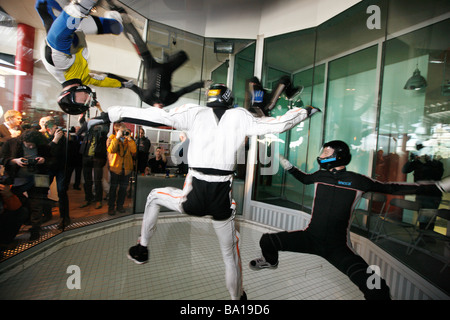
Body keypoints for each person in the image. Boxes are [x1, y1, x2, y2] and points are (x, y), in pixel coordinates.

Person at [87, 83, 320, 300]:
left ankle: (142, 248)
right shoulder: (241, 117)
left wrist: (111, 114)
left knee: (153, 197)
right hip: (221, 202)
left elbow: (155, 116)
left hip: (192, 198)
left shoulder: (194, 113)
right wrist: (306, 111)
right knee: (230, 256)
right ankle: (237, 299)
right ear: (229, 100)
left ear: (209, 99)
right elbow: (279, 124)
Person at [249, 140, 450, 300]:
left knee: (377, 289)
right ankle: (270, 261)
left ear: (338, 156)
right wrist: (289, 166)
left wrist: (437, 187)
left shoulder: (357, 180)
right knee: (267, 240)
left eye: (326, 153)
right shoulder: (320, 175)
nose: (321, 155)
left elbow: (392, 188)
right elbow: (304, 178)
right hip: (310, 237)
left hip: (338, 247)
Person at [105, 0, 211, 108]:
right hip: (167, 69)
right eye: (161, 109)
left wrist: (109, 76)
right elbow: (185, 90)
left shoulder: (146, 98)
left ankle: (121, 17)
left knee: (138, 42)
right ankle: (168, 58)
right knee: (183, 56)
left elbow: (130, 85)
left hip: (151, 67)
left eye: (157, 109)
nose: (159, 107)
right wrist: (202, 84)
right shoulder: (170, 100)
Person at [35, 0, 131, 115]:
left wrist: (79, 9)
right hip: (77, 28)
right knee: (116, 27)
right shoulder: (83, 80)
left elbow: (58, 37)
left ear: (69, 97)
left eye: (83, 101)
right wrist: (122, 85)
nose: (88, 99)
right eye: (88, 102)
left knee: (43, 3)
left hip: (60, 17)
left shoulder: (60, 66)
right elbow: (103, 82)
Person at [1, 129, 50, 241]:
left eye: (34, 145)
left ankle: (35, 230)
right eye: (29, 145)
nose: (32, 147)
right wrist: (15, 161)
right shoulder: (11, 143)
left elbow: (51, 159)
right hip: (17, 177)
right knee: (14, 202)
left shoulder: (42, 144)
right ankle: (11, 230)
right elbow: (2, 158)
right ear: (23, 140)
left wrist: (44, 160)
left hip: (40, 176)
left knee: (37, 203)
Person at [402, 142, 444, 230]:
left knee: (430, 218)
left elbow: (436, 175)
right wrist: (411, 160)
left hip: (433, 195)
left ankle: (427, 237)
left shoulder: (437, 163)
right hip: (421, 194)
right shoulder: (417, 163)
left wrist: (427, 162)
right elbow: (405, 170)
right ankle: (422, 237)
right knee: (422, 217)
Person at [41, 117, 71, 230]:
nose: (56, 129)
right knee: (42, 190)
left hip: (60, 167)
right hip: (46, 168)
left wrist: (63, 138)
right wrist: (55, 140)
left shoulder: (62, 138)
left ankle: (64, 217)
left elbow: (66, 152)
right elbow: (45, 152)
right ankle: (46, 215)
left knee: (62, 191)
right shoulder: (42, 137)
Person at [78, 113, 109, 209]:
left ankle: (98, 200)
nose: (94, 124)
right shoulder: (88, 131)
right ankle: (88, 198)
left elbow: (107, 120)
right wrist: (86, 122)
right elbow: (79, 133)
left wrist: (99, 110)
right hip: (86, 156)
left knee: (97, 180)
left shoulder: (102, 131)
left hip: (98, 158)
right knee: (87, 180)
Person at [107, 122, 137, 215]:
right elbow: (111, 150)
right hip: (115, 168)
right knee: (113, 189)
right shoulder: (111, 139)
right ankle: (111, 207)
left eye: (125, 130)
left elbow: (134, 150)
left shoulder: (128, 140)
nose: (124, 132)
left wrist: (129, 139)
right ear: (117, 131)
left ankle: (120, 206)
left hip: (126, 169)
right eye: (122, 130)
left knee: (123, 189)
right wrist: (117, 138)